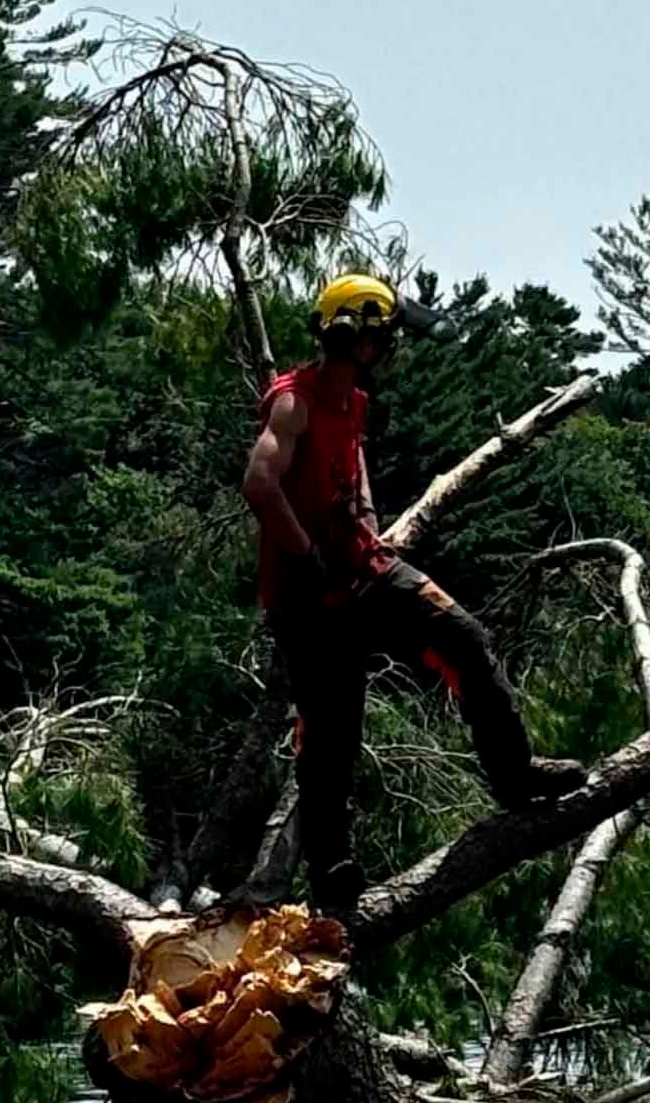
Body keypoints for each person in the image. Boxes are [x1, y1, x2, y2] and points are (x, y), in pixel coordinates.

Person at [241, 270, 585, 915]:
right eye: (385, 336)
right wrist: (308, 555)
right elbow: (261, 485)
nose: (391, 348)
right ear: (358, 336)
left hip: (366, 567)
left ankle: (515, 777)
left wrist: (367, 521)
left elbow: (354, 463)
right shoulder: (294, 400)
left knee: (462, 638)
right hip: (308, 596)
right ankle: (333, 872)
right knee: (330, 734)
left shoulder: (354, 402)